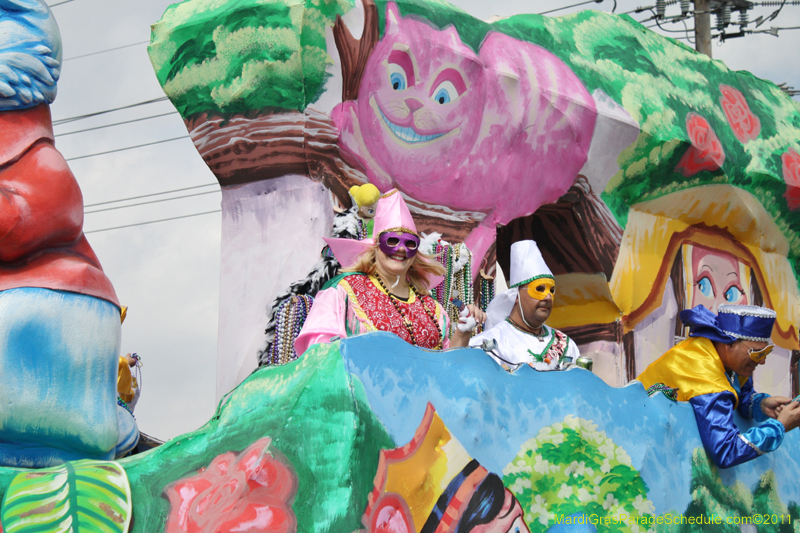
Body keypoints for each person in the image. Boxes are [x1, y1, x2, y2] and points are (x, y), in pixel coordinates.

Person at [295, 189, 483, 356]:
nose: (401, 249)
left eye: (409, 243)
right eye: (391, 241)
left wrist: (462, 333)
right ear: (376, 247)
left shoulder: (432, 309)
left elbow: (445, 366)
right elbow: (319, 357)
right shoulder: (343, 292)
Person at [638, 304, 800, 468]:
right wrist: (779, 427)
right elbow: (725, 451)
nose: (762, 361)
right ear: (728, 344)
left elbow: (739, 394)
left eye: (766, 352)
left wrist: (760, 404)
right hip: (644, 451)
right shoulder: (705, 377)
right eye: (757, 353)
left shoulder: (716, 351)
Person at [470, 240, 580, 371]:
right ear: (516, 296)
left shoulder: (567, 345)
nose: (548, 297)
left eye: (552, 290)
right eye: (539, 289)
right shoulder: (491, 343)